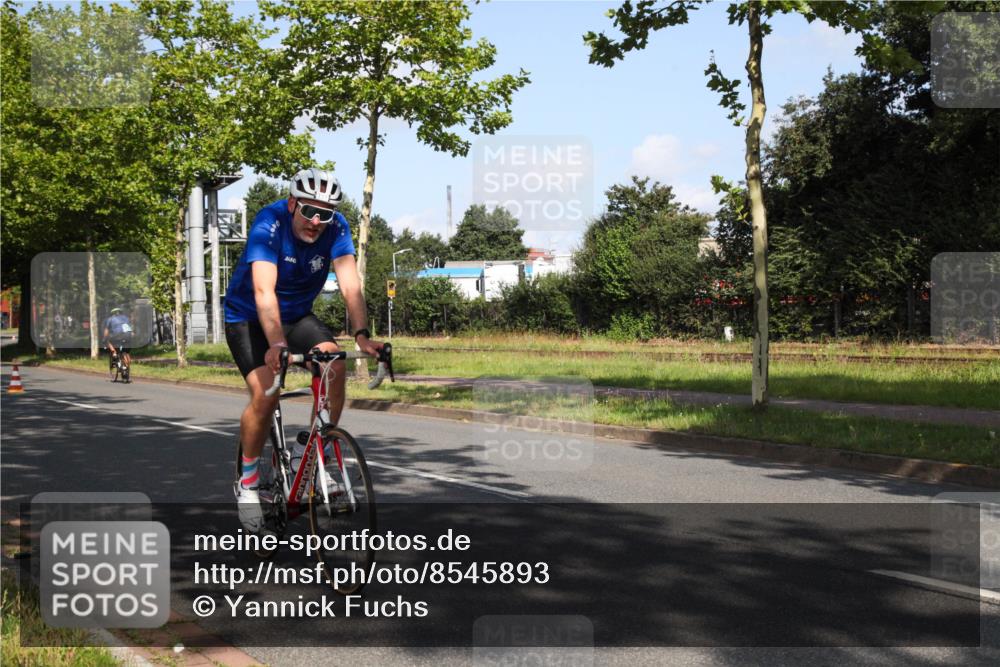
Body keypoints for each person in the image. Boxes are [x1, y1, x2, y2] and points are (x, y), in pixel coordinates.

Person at [224, 168, 382, 533]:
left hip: (296, 315)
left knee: (334, 363)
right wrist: (276, 344)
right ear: (292, 203)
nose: (315, 221)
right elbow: (264, 292)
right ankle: (247, 482)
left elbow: (351, 287)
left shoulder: (338, 228)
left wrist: (361, 335)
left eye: (324, 214)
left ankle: (311, 453)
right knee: (266, 393)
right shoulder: (270, 223)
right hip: (248, 317)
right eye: (308, 211)